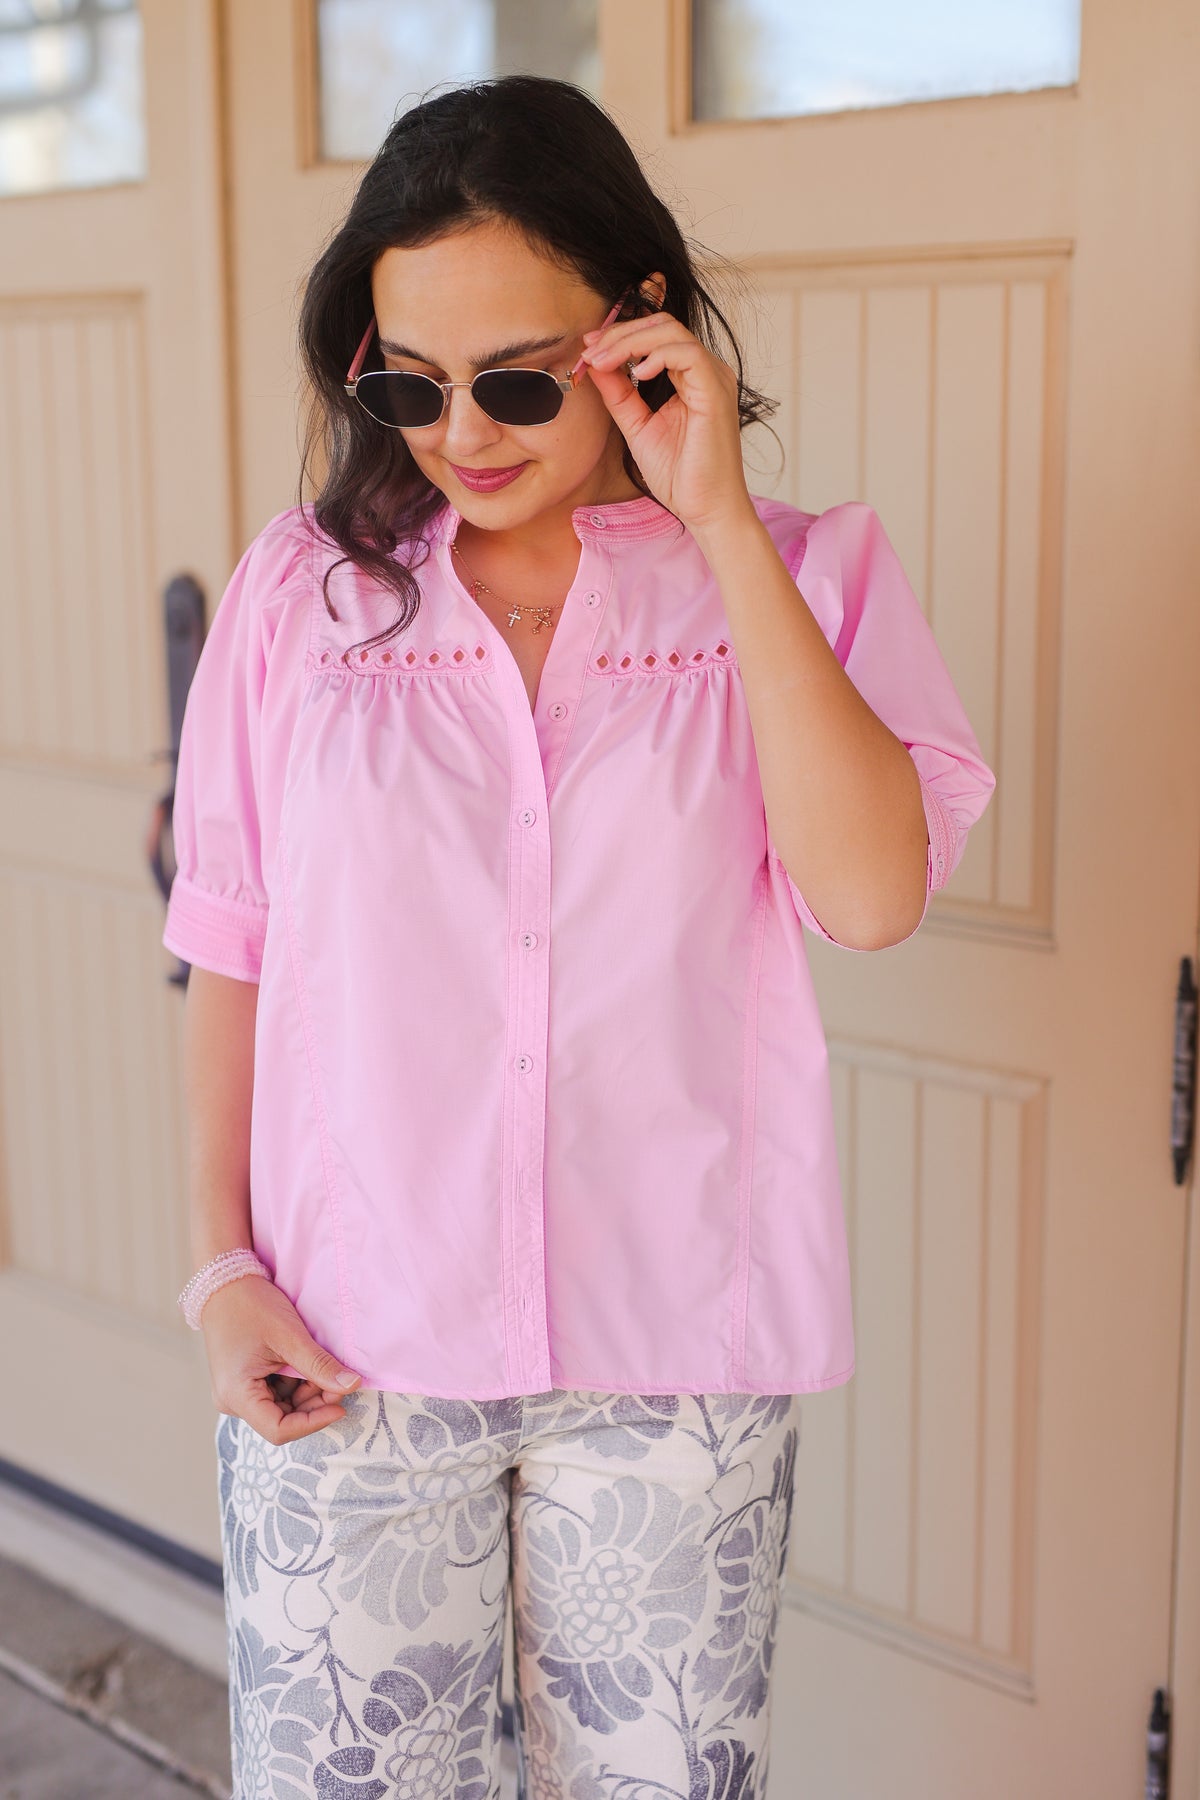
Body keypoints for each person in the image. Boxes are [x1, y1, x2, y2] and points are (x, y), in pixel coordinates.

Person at [163, 73, 995, 1800]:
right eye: (406, 383)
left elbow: (871, 896)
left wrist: (718, 520)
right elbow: (233, 940)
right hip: (348, 1351)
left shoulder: (801, 576)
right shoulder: (299, 597)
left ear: (638, 330)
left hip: (673, 1372)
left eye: (519, 379)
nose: (460, 433)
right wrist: (220, 1269)